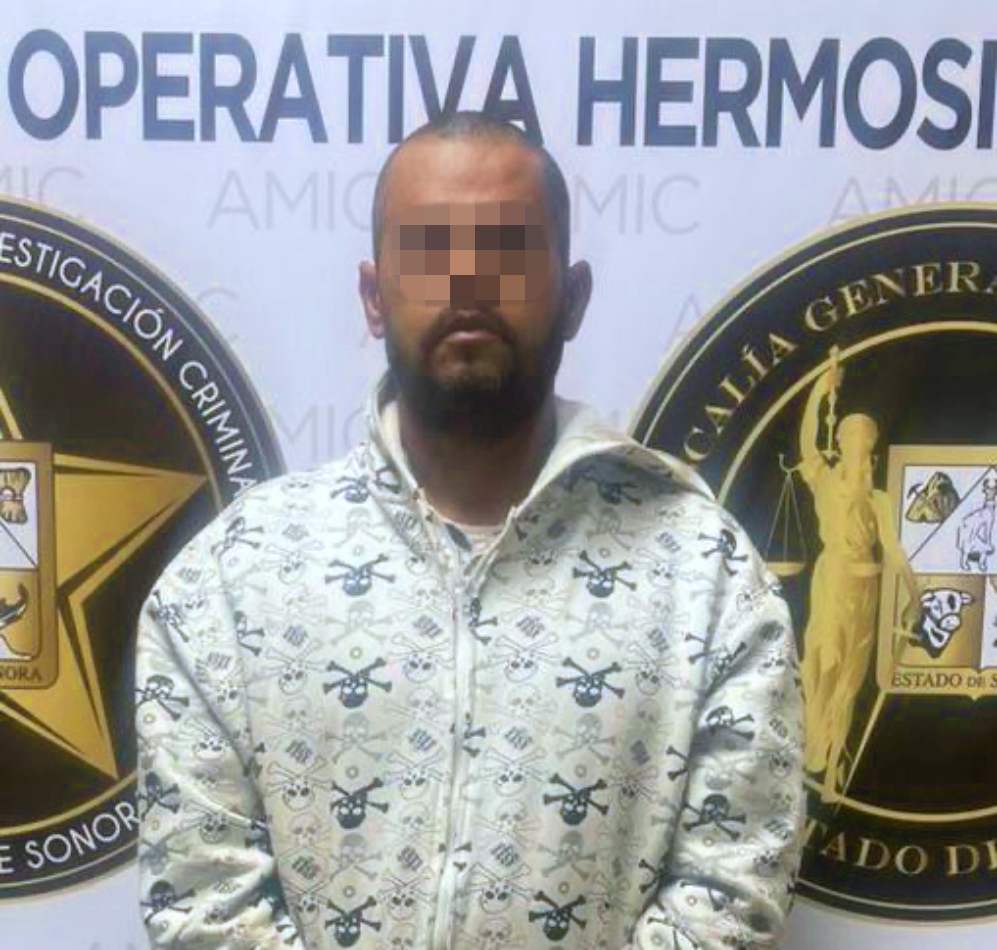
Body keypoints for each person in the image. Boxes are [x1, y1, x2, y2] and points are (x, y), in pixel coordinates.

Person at [136, 111, 804, 950]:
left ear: (573, 297)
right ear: (373, 297)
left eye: (509, 250)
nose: (467, 282)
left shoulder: (702, 575)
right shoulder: (232, 582)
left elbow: (731, 889)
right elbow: (202, 898)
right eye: (428, 249)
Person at [797, 351, 919, 803]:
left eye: (864, 443)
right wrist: (819, 392)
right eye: (851, 439)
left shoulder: (879, 500)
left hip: (864, 587)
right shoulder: (824, 480)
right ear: (842, 442)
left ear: (871, 450)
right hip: (831, 577)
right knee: (820, 659)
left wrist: (915, 596)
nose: (857, 448)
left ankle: (833, 766)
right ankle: (813, 739)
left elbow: (895, 552)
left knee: (850, 677)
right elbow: (807, 442)